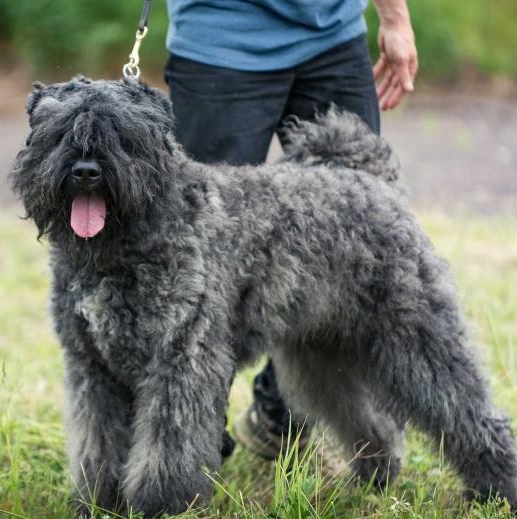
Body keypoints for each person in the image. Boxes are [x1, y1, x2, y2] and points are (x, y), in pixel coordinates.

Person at [163, 0, 418, 459]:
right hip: (221, 43)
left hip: (332, 34)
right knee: (200, 277)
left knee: (361, 257)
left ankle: (280, 418)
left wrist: (394, 16)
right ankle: (191, 447)